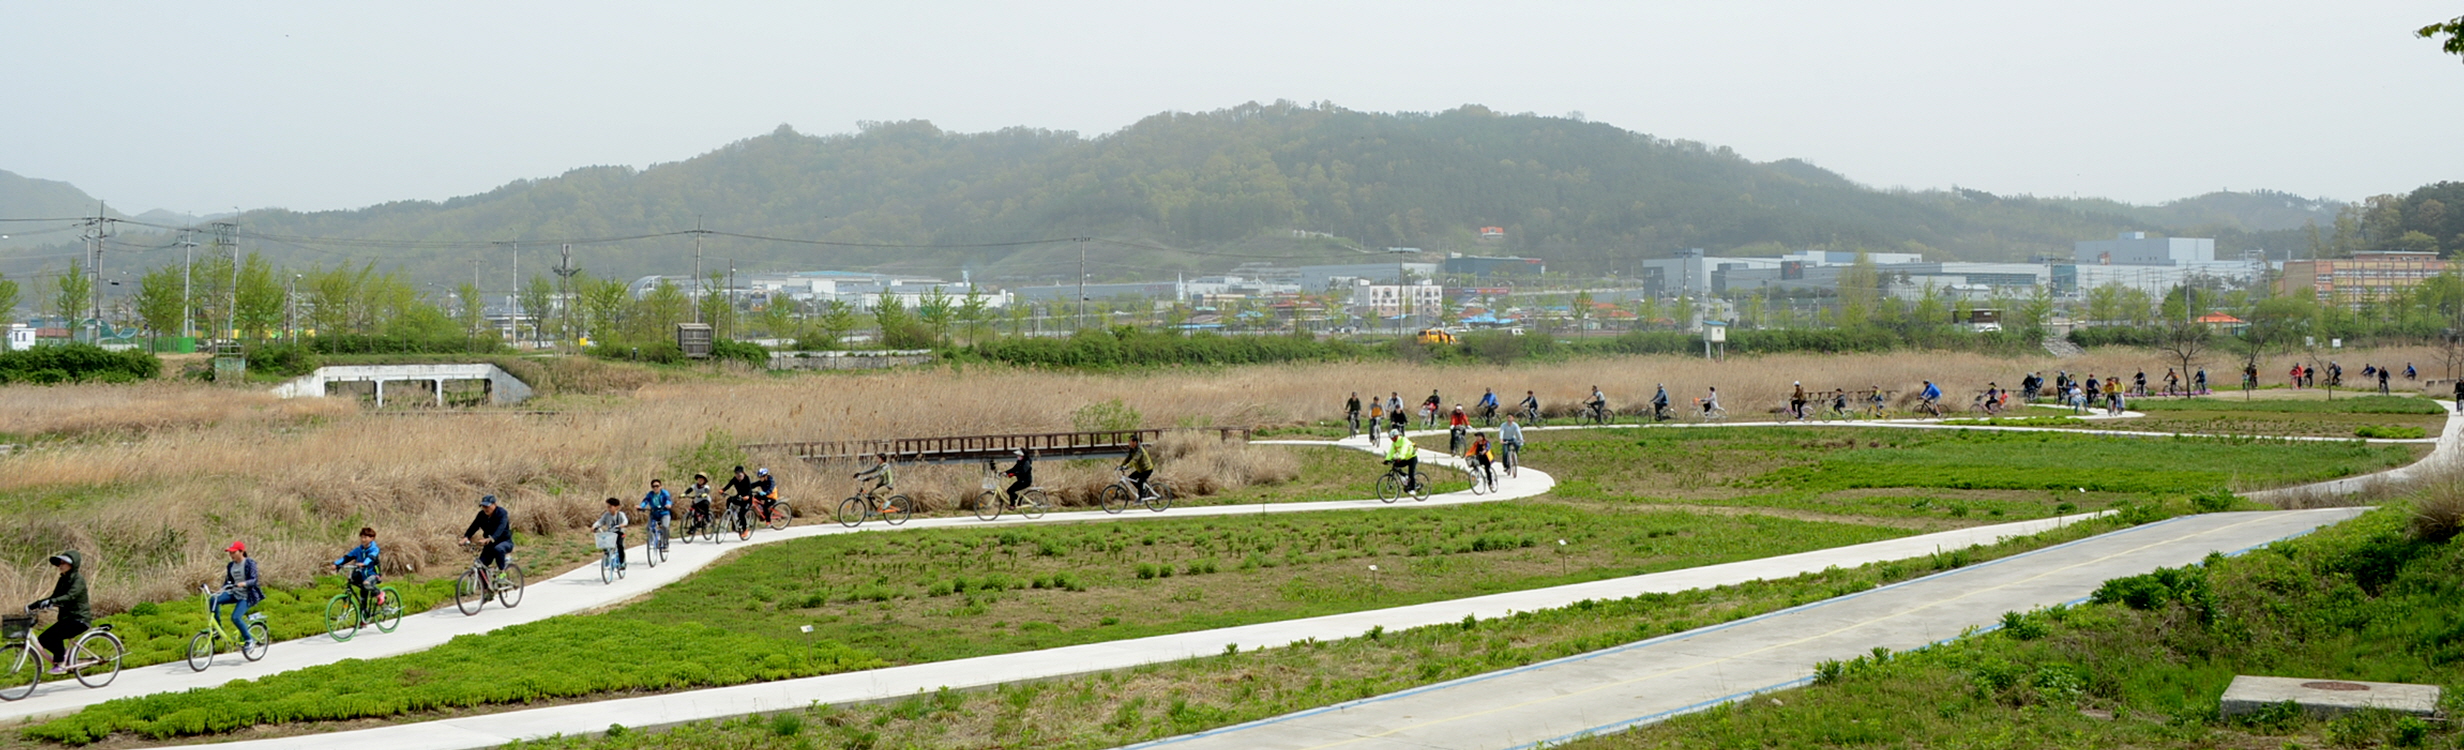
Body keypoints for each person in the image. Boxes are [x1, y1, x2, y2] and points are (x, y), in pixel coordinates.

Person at [26, 550, 87, 674]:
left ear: (73, 565)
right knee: (43, 639)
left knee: (55, 636)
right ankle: (64, 658)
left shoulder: (78, 580)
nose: (61, 565)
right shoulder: (63, 580)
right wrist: (35, 604)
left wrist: (52, 601)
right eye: (60, 563)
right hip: (67, 619)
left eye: (64, 563)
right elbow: (55, 596)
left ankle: (60, 663)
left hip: (79, 619)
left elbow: (70, 596)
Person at [462, 495, 514, 600]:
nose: (485, 509)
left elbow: (501, 528)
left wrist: (491, 538)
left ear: (494, 505)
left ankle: (502, 574)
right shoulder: (481, 515)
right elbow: (474, 526)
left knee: (498, 549)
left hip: (504, 542)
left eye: (488, 506)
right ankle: (487, 591)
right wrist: (466, 537)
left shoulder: (501, 513)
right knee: (480, 566)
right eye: (483, 506)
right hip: (489, 545)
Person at [212, 541, 263, 650]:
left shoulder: (249, 563)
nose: (231, 555)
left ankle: (249, 640)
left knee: (235, 617)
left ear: (241, 551)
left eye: (233, 552)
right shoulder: (231, 565)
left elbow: (254, 580)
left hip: (247, 596)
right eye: (230, 553)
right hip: (234, 593)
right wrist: (221, 590)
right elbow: (229, 581)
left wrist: (244, 583)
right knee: (213, 599)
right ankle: (217, 629)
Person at [331, 527, 383, 608]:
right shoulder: (358, 550)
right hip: (362, 575)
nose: (363, 539)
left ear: (372, 538)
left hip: (373, 574)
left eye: (365, 537)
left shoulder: (374, 549)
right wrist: (336, 564)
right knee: (362, 597)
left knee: (366, 584)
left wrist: (364, 563)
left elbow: (370, 557)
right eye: (361, 537)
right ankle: (364, 618)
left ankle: (379, 593)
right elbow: (347, 557)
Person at [1118, 435, 1158, 501]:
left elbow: (1135, 460)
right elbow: (1128, 458)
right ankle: (1142, 489)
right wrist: (1121, 466)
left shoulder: (1139, 450)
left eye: (1129, 441)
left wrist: (1127, 466)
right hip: (1140, 470)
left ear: (1135, 442)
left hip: (1147, 469)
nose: (1128, 443)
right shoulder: (1132, 449)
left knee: (1140, 481)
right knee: (1131, 478)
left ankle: (1141, 498)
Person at [637, 478, 673, 552]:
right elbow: (645, 501)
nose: (655, 488)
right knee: (649, 527)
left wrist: (668, 505)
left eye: (657, 486)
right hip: (654, 513)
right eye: (653, 486)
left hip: (664, 513)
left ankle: (665, 543)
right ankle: (653, 541)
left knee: (665, 527)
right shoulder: (650, 494)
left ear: (660, 486)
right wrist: (641, 506)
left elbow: (668, 499)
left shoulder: (664, 493)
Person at [592, 498, 628, 569]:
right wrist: (594, 526)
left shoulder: (620, 514)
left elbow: (625, 521)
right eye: (608, 507)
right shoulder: (606, 515)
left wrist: (622, 525)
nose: (609, 509)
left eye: (610, 507)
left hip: (620, 533)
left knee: (620, 545)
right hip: (610, 533)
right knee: (604, 544)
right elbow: (600, 521)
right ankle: (607, 556)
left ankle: (622, 562)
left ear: (616, 507)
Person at [680, 473, 714, 541]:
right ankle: (693, 527)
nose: (700, 480)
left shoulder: (706, 486)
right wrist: (685, 493)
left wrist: (705, 494)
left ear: (704, 480)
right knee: (694, 511)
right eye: (699, 479)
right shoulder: (695, 485)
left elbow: (707, 491)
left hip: (705, 499)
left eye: (702, 479)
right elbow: (689, 489)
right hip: (697, 500)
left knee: (705, 506)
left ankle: (707, 519)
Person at [1384, 426, 1420, 492]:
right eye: (1391, 439)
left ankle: (1413, 489)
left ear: (1396, 436)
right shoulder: (1394, 443)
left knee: (1411, 474)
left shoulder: (1404, 440)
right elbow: (1391, 451)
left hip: (1412, 457)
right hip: (1405, 458)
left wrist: (1400, 457)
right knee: (1395, 466)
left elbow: (1404, 449)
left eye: (1393, 438)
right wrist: (1387, 459)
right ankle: (1406, 477)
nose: (1392, 440)